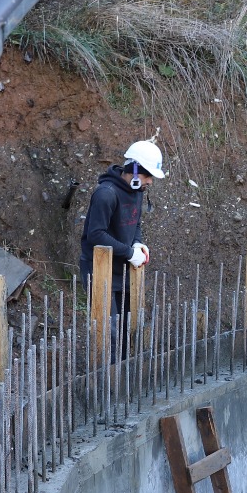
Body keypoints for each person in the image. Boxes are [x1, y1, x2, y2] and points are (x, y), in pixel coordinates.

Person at [79, 138, 167, 347]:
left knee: (127, 329)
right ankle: (105, 376)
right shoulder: (106, 194)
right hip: (100, 270)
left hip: (124, 270)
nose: (150, 182)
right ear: (134, 169)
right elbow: (96, 234)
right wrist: (129, 252)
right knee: (108, 333)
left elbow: (135, 222)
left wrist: (137, 243)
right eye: (147, 175)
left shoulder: (137, 191)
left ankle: (123, 376)